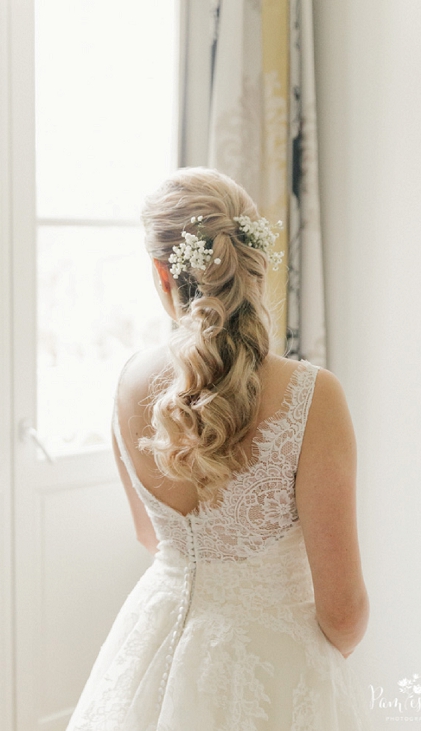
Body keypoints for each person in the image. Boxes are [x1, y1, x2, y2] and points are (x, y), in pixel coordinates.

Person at [65, 168, 373, 730]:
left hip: (156, 641)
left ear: (163, 274)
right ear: (251, 262)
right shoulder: (313, 396)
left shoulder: (128, 383)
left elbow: (148, 534)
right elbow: (344, 613)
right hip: (275, 665)